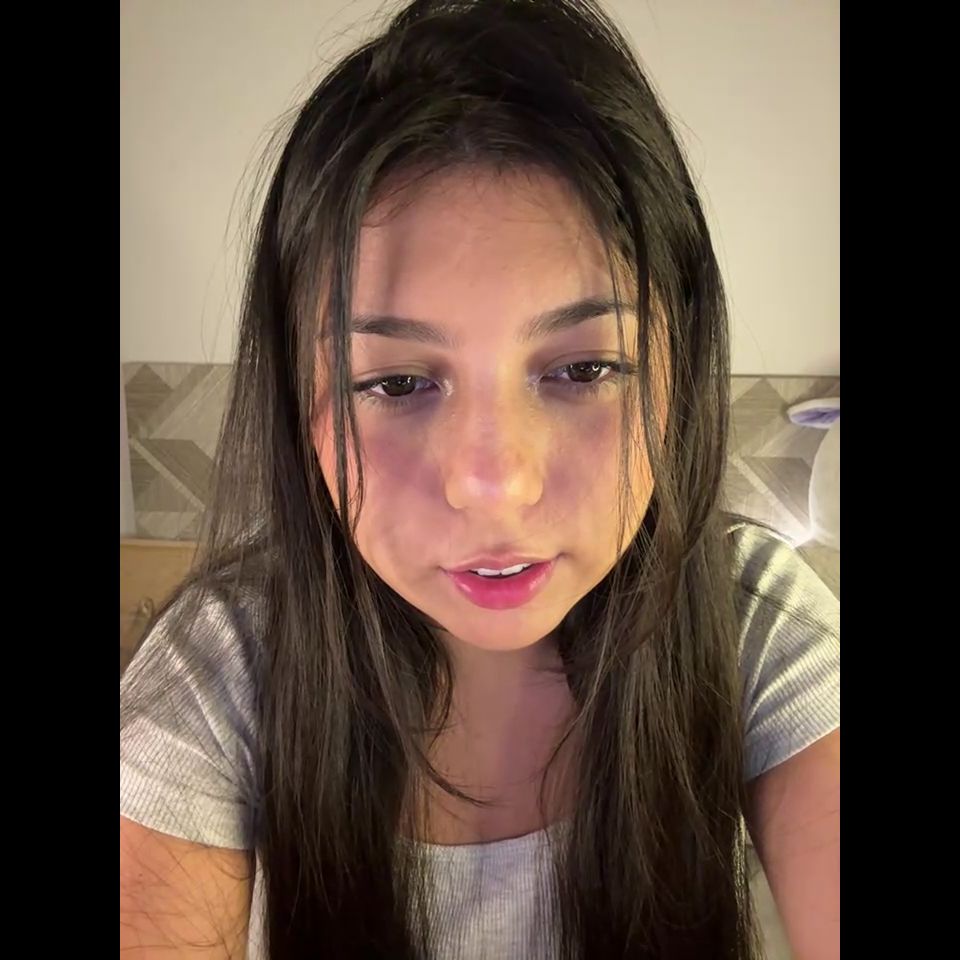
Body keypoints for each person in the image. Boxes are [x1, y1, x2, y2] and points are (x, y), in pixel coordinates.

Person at [119, 2, 840, 957]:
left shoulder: (755, 619)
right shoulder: (224, 667)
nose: (492, 484)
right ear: (299, 399)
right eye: (396, 383)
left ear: (680, 367)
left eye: (585, 369)